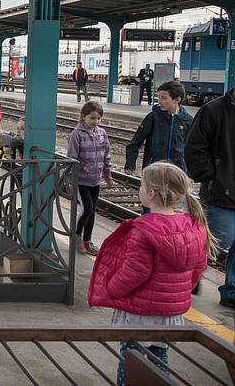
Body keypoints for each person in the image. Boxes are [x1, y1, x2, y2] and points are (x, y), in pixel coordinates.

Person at [88, 162, 215, 386]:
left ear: (151, 193)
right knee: (160, 358)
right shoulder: (193, 226)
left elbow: (135, 271)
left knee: (130, 357)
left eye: (142, 185)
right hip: (171, 313)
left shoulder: (145, 229)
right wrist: (179, 291)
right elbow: (197, 268)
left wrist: (112, 288)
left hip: (141, 313)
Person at [184, 86, 235, 309]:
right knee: (212, 245)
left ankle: (231, 292)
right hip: (221, 193)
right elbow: (194, 146)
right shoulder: (213, 110)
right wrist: (210, 176)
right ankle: (187, 279)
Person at [67, 102, 114, 256]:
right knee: (87, 208)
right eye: (92, 118)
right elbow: (71, 158)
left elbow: (106, 154)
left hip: (96, 179)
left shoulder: (102, 133)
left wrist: (107, 175)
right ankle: (77, 236)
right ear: (83, 117)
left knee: (92, 211)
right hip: (81, 179)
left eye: (99, 118)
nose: (96, 121)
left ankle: (87, 240)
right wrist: (70, 178)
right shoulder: (76, 135)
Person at [124, 80, 193, 177]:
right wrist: (130, 165)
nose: (159, 102)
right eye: (158, 97)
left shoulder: (188, 121)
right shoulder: (153, 117)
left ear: (177, 99)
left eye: (164, 98)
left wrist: (191, 172)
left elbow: (192, 148)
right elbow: (135, 143)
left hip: (178, 173)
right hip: (154, 170)